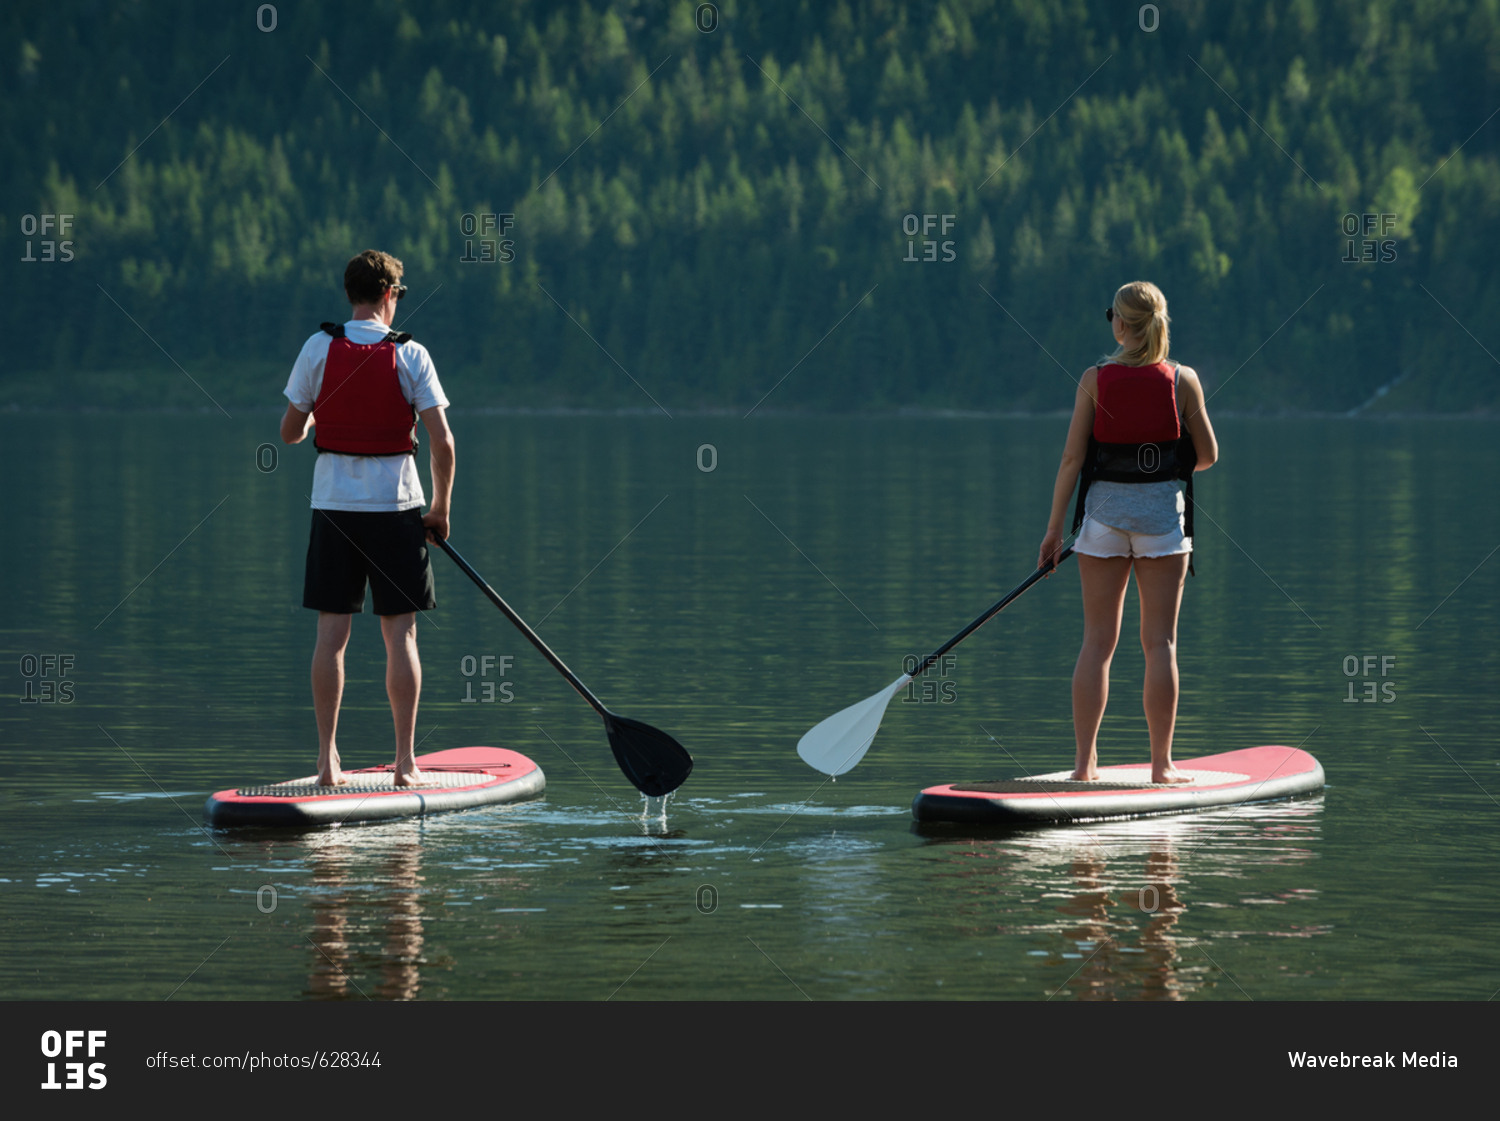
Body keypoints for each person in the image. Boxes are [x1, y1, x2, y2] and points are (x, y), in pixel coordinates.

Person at [280, 249, 455, 788]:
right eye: (398, 295)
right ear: (388, 295)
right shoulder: (412, 356)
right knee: (400, 636)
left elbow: (289, 432)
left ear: (352, 294)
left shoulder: (317, 347)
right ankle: (405, 763)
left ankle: (327, 762)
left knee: (330, 636)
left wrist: (316, 423)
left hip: (333, 508)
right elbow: (442, 442)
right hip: (397, 509)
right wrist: (440, 509)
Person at [1037, 281, 1218, 784]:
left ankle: (1083, 766)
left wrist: (1054, 532)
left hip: (1102, 525)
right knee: (1160, 644)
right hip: (1162, 524)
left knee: (1097, 642)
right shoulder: (1184, 381)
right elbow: (1207, 457)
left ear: (1120, 323)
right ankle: (1162, 767)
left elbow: (1073, 459)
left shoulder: (1095, 379)